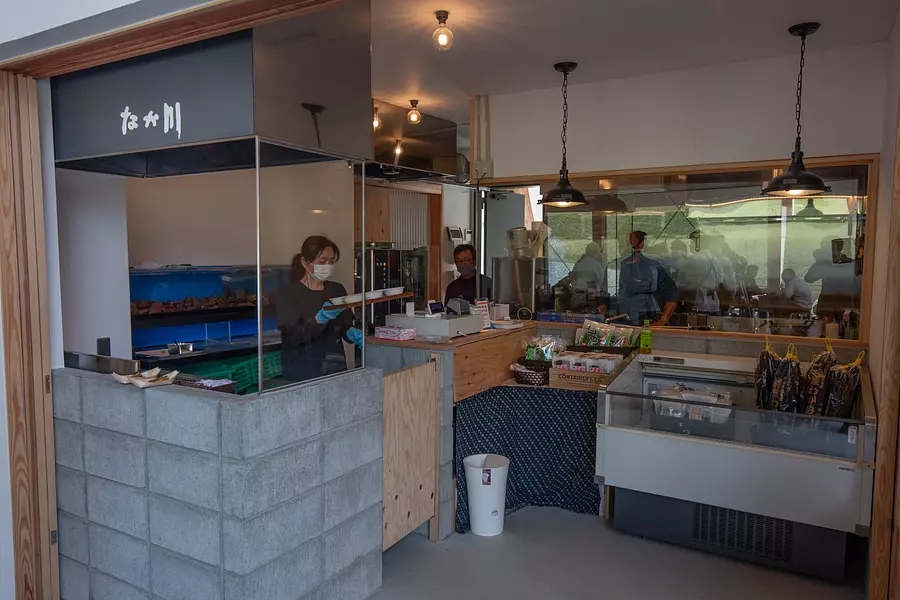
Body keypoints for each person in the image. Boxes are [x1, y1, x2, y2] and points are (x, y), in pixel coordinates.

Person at [277, 236, 363, 382]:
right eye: (322, 262)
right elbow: (293, 337)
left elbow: (342, 326)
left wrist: (351, 333)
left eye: (331, 261)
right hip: (301, 371)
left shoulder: (336, 289)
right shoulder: (289, 293)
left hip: (334, 367)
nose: (328, 266)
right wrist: (319, 319)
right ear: (305, 262)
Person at [618, 231, 676, 325]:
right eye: (621, 243)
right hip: (625, 318)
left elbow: (671, 292)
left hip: (648, 316)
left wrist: (663, 320)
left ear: (641, 243)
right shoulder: (624, 264)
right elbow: (622, 292)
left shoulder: (654, 264)